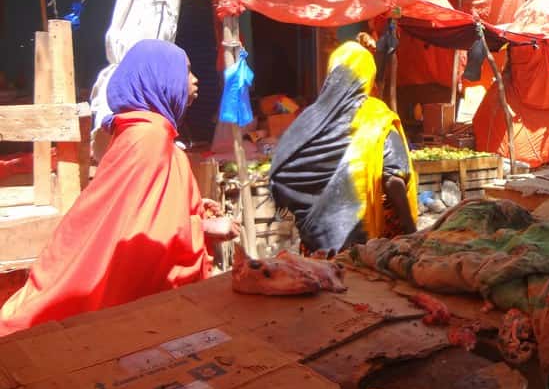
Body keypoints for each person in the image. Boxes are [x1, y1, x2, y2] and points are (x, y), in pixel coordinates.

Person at [0, 40, 235, 336]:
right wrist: (205, 228)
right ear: (159, 78)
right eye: (186, 71)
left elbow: (144, 212)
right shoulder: (148, 138)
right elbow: (144, 240)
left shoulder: (140, 133)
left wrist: (197, 211)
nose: (194, 79)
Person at [269, 41, 418, 257]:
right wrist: (411, 232)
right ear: (368, 77)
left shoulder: (310, 118)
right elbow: (393, 179)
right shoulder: (375, 115)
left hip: (317, 249)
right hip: (366, 248)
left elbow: (280, 174)